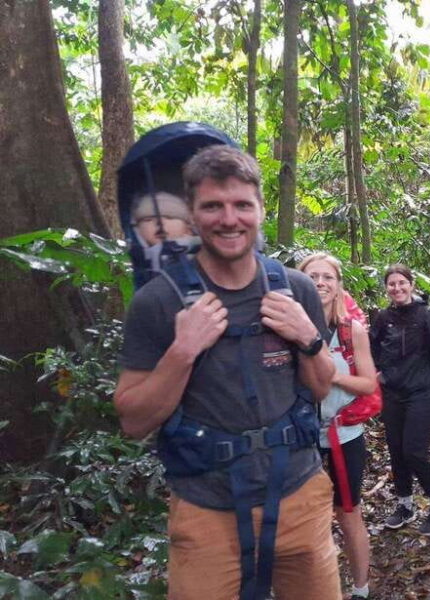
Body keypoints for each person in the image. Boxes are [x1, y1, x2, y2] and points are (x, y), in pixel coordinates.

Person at [114, 145, 341, 600]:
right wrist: (183, 350)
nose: (229, 218)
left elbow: (319, 388)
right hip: (206, 507)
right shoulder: (159, 301)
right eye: (212, 206)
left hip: (299, 493)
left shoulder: (294, 288)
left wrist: (307, 337)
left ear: (260, 210)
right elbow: (133, 421)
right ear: (194, 217)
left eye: (241, 205)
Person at [298, 252, 376, 600]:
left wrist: (332, 373)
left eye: (327, 277)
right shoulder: (291, 329)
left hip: (345, 435)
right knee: (307, 520)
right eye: (312, 277)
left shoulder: (351, 330)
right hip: (301, 438)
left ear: (338, 283)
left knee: (349, 514)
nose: (320, 283)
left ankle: (360, 588)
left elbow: (369, 384)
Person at [370, 265, 430, 536]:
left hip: (423, 394)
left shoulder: (427, 316)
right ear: (386, 288)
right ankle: (405, 504)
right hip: (393, 394)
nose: (397, 288)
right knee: (396, 451)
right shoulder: (383, 317)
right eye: (391, 284)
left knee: (414, 452)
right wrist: (376, 373)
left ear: (411, 285)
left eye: (401, 283)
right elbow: (372, 349)